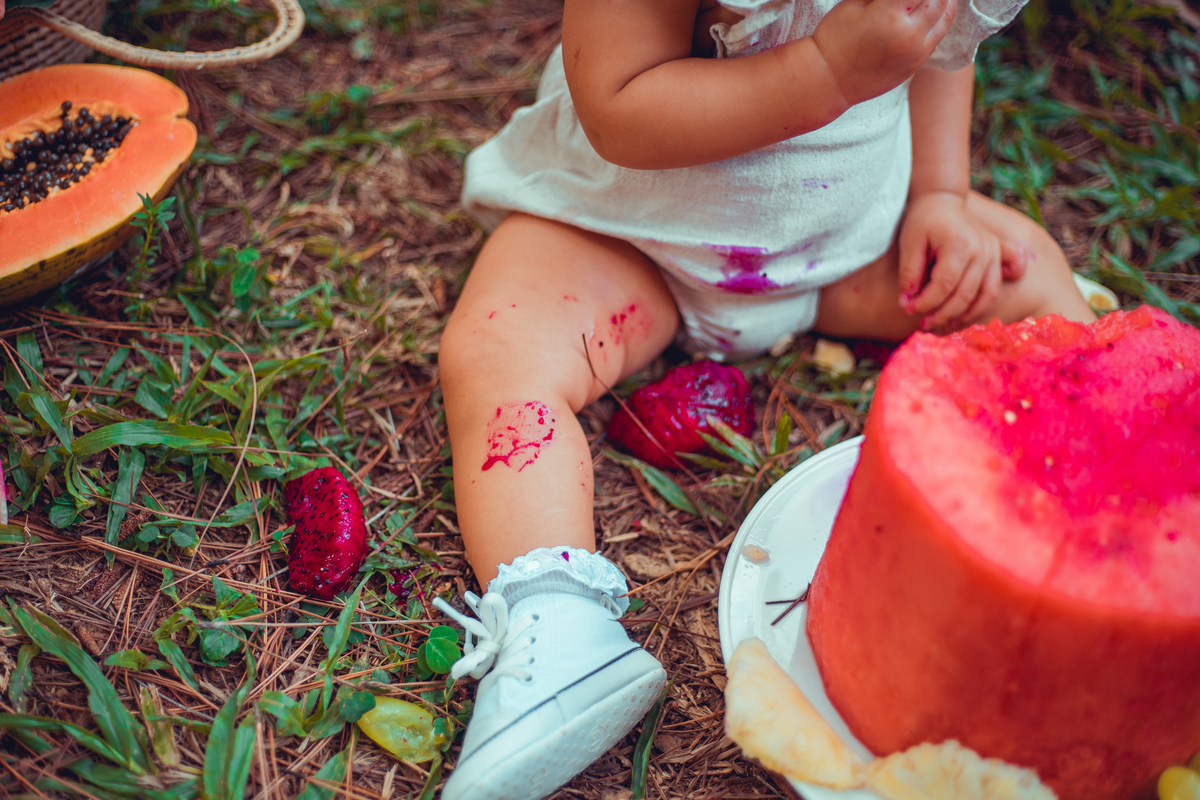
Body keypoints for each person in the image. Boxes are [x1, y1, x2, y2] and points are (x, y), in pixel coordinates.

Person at [431, 0, 1098, 796]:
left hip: (847, 249)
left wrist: (940, 198)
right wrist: (826, 72)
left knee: (1031, 277)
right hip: (625, 236)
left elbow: (940, 47)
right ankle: (557, 619)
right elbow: (618, 105)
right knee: (500, 351)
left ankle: (1114, 506)